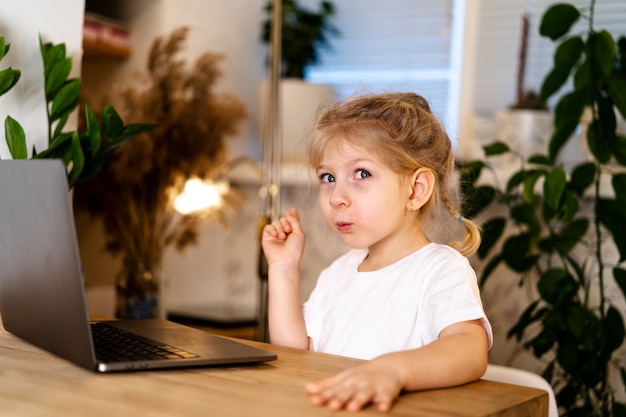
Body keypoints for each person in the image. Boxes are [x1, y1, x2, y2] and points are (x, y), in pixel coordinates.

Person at [261, 92, 492, 412]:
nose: (336, 197)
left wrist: (393, 370)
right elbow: (297, 353)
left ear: (416, 190)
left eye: (362, 174)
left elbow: (469, 350)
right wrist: (283, 269)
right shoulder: (338, 273)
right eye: (328, 177)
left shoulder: (440, 270)